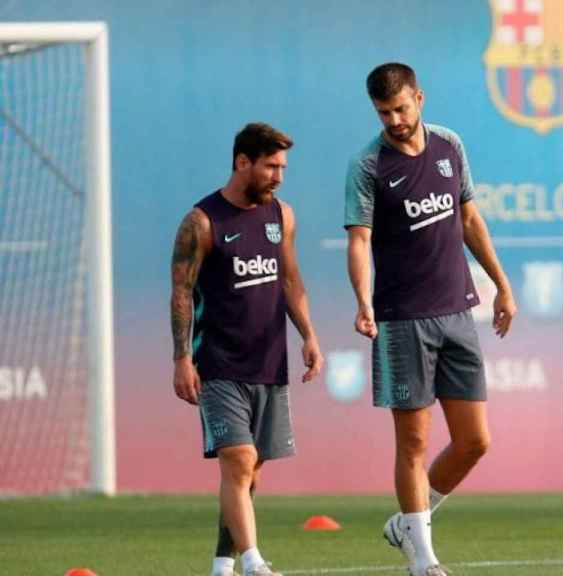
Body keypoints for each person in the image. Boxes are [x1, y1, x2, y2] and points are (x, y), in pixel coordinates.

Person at [344, 62, 516, 576]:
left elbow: (468, 218)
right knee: (413, 443)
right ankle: (422, 560)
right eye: (383, 112)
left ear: (420, 97)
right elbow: (359, 239)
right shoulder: (368, 165)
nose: (394, 119)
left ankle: (408, 523)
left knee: (474, 442)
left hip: (458, 312)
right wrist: (363, 301)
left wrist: (502, 285)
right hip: (401, 320)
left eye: (400, 107)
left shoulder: (449, 146)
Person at [170, 122, 323, 576]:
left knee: (249, 474)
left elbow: (290, 280)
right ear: (242, 162)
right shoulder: (201, 222)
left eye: (283, 167)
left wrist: (308, 334)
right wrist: (181, 358)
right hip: (218, 364)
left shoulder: (282, 217)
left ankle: (222, 564)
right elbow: (181, 291)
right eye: (271, 166)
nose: (279, 176)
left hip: (269, 362)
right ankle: (255, 563)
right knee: (240, 459)